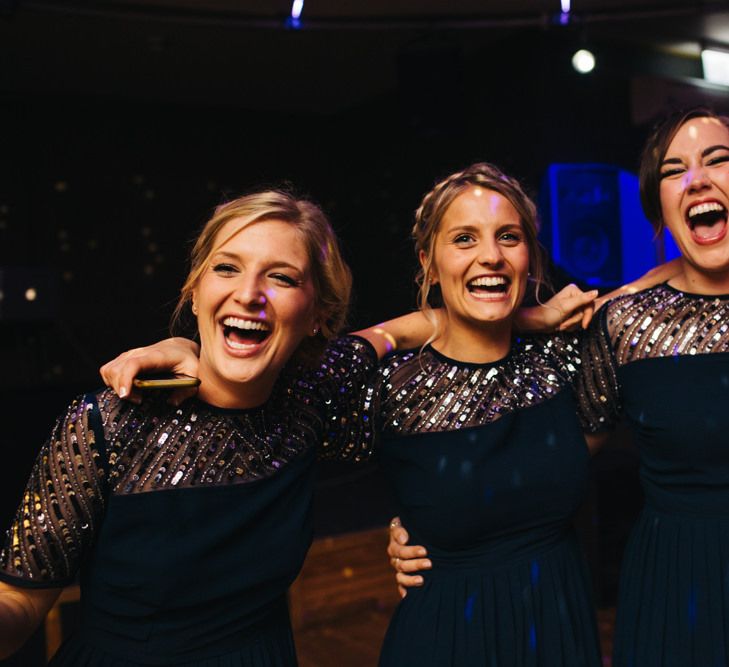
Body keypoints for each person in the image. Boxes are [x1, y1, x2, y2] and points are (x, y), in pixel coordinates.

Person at [98, 164, 679, 666]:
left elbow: (651, 299)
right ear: (428, 261)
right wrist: (188, 351)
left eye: (509, 236)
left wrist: (527, 321)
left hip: (559, 626)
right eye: (464, 239)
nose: (490, 256)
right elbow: (264, 377)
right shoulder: (388, 382)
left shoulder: (566, 354)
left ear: (530, 255)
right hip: (447, 638)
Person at [0, 188, 593, 664]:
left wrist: (525, 317)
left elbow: (402, 334)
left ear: (318, 316)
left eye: (281, 278)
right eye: (226, 268)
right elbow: (22, 599)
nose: (249, 294)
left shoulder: (308, 403)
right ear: (196, 289)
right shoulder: (108, 421)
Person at [391, 108, 729, 667]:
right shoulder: (625, 321)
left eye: (718, 160)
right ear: (660, 208)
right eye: (674, 171)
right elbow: (551, 457)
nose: (697, 180)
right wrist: (429, 522)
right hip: (677, 583)